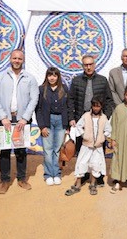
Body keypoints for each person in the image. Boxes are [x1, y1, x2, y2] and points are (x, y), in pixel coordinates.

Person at [0, 49, 39, 193]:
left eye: (19, 59)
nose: (17, 61)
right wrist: (3, 117)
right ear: (10, 59)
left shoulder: (30, 78)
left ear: (23, 60)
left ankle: (21, 178)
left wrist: (25, 118)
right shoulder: (0, 77)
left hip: (22, 119)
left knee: (21, 150)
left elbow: (34, 99)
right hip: (5, 119)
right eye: (14, 58)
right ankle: (5, 180)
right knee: (5, 151)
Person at [67, 54, 114, 186]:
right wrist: (71, 118)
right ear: (82, 66)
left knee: (98, 148)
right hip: (82, 120)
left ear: (94, 65)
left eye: (90, 64)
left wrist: (105, 116)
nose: (88, 67)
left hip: (98, 120)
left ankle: (98, 176)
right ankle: (84, 174)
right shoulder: (76, 81)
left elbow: (109, 100)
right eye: (86, 65)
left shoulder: (102, 80)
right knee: (83, 149)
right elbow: (70, 100)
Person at [65, 96, 111, 196]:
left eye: (98, 106)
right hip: (86, 146)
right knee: (81, 163)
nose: (96, 108)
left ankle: (93, 184)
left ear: (101, 106)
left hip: (97, 147)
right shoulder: (86, 116)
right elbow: (79, 126)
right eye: (94, 106)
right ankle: (77, 185)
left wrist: (102, 138)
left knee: (95, 165)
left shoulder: (104, 118)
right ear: (91, 106)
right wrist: (84, 135)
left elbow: (108, 130)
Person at [36, 67, 68, 186]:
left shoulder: (64, 88)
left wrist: (67, 125)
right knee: (48, 149)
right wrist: (42, 126)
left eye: (54, 75)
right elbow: (38, 109)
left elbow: (68, 106)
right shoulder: (41, 89)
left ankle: (57, 174)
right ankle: (49, 174)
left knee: (57, 149)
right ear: (47, 76)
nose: (52, 78)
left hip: (60, 121)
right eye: (50, 75)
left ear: (58, 77)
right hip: (47, 121)